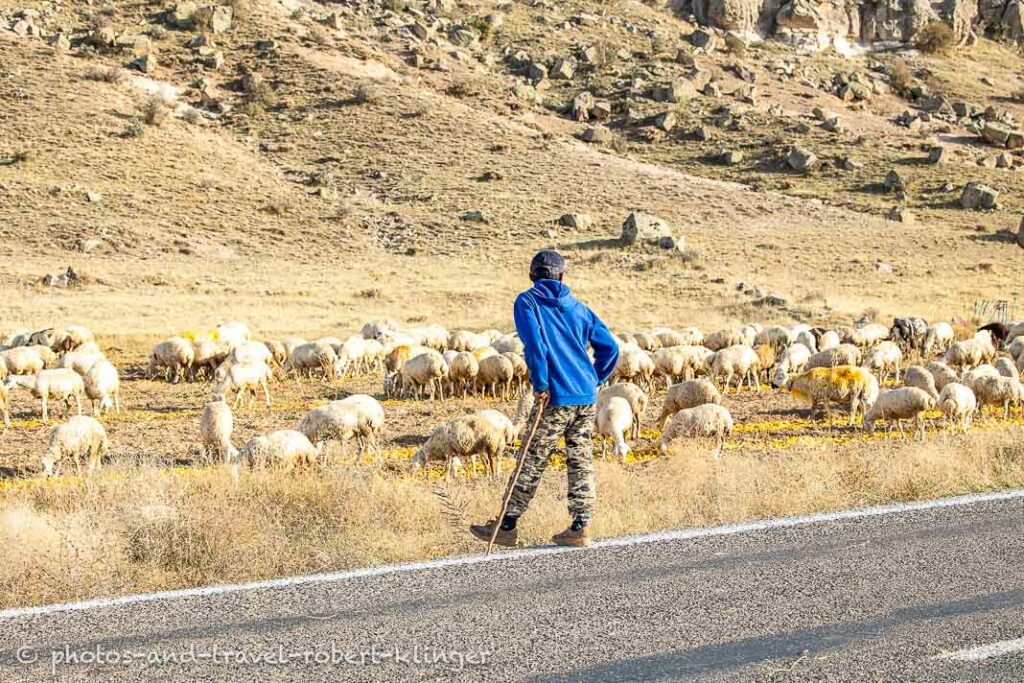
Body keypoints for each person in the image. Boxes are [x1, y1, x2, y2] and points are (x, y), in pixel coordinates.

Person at [470, 249, 619, 548]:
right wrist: (594, 378)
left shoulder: (527, 302)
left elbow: (535, 346)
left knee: (533, 457)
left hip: (555, 396)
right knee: (580, 460)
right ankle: (580, 526)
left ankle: (506, 526)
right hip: (586, 397)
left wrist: (540, 384)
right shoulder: (580, 308)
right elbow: (611, 348)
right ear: (562, 276)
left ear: (532, 275)